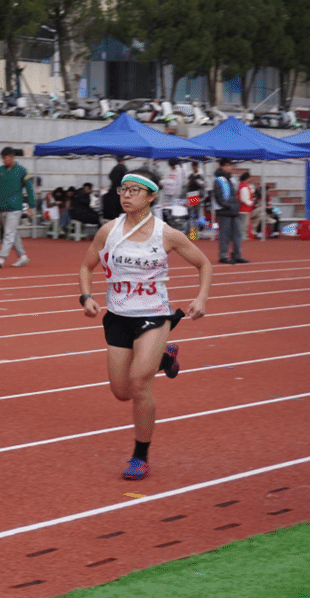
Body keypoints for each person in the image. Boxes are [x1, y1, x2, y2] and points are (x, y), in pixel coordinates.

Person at [78, 167, 211, 481]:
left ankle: (140, 456)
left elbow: (204, 264)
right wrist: (86, 297)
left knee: (139, 384)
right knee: (121, 391)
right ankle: (165, 357)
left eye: (134, 190)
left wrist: (201, 298)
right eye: (123, 190)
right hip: (118, 316)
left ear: (151, 196)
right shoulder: (108, 230)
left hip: (154, 314)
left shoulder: (167, 234)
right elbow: (86, 266)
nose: (126, 195)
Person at [0, 147, 36, 268]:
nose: (3, 160)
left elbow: (29, 188)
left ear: (12, 157)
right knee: (12, 232)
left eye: (5, 158)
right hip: (2, 206)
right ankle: (22, 256)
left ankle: (1, 258)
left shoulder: (21, 171)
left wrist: (31, 205)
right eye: (2, 158)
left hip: (15, 207)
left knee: (9, 233)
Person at [212, 158, 245, 264]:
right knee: (225, 235)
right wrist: (229, 206)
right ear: (221, 166)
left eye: (230, 165)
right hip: (224, 211)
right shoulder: (218, 180)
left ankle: (237, 254)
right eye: (227, 165)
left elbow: (233, 195)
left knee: (237, 234)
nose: (230, 167)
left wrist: (235, 206)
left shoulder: (230, 179)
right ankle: (223, 255)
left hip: (233, 211)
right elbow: (219, 197)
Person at [237, 170, 255, 242]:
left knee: (244, 222)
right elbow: (244, 199)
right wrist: (251, 203)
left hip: (245, 208)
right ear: (246, 178)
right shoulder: (244, 187)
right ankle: (242, 236)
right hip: (244, 208)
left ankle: (243, 235)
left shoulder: (244, 186)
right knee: (244, 223)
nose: (251, 179)